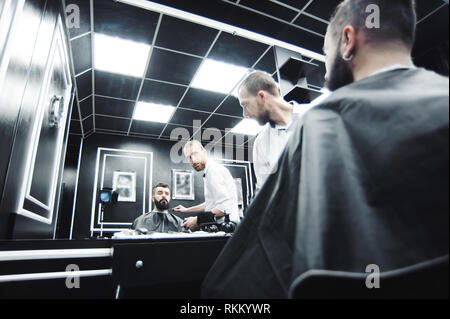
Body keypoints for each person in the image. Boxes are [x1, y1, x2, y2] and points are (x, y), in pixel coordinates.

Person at [202, 0, 449, 298]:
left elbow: (248, 267)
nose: (325, 60)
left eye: (325, 50)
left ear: (347, 41)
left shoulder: (321, 123)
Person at [237, 71, 302, 193]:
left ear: (262, 97)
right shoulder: (261, 143)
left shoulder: (318, 115)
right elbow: (266, 192)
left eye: (245, 105)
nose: (244, 114)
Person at [172, 140, 241, 230]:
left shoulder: (213, 170)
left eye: (195, 153)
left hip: (226, 228)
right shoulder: (209, 171)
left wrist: (197, 220)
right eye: (189, 157)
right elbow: (211, 204)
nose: (193, 159)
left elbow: (224, 207)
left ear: (204, 151)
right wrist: (187, 210)